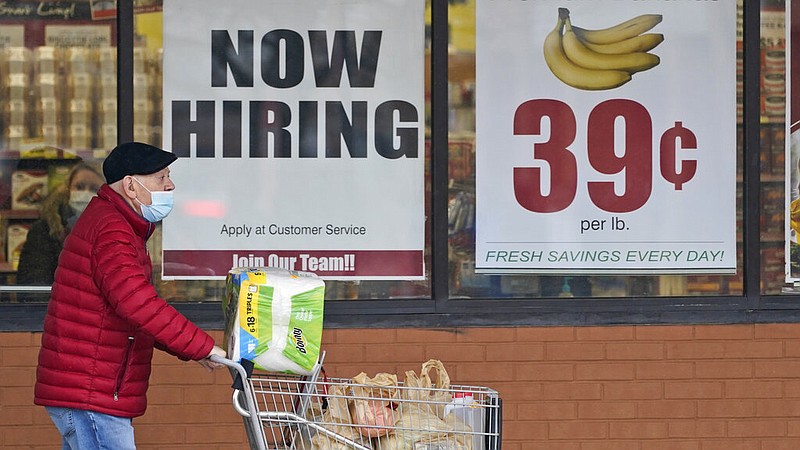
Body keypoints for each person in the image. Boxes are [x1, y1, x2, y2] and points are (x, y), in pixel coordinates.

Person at [34, 142, 227, 450]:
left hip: (90, 386)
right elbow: (137, 303)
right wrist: (200, 345)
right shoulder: (113, 230)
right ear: (131, 186)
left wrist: (195, 350)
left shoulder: (115, 223)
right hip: (91, 389)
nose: (170, 185)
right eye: (161, 177)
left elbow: (134, 310)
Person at [16, 161, 105, 286]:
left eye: (94, 189)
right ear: (68, 190)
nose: (85, 193)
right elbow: (33, 283)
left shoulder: (114, 230)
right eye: (79, 187)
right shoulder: (45, 230)